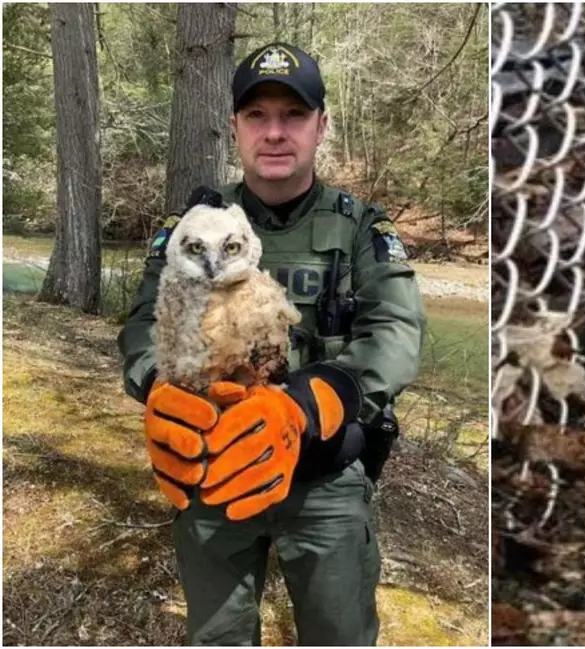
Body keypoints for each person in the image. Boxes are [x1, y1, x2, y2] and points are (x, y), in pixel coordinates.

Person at [117, 42, 426, 646]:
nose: (276, 133)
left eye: (295, 115)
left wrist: (310, 403)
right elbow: (141, 324)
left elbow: (395, 332)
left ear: (322, 125)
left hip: (325, 481)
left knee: (339, 635)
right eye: (257, 115)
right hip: (213, 469)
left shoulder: (362, 226)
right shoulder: (195, 231)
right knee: (217, 635)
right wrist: (157, 384)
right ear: (234, 126)